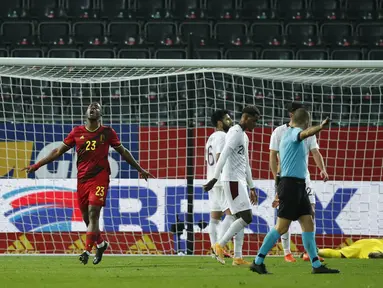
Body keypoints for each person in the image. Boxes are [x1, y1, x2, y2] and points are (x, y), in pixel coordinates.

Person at [23, 102, 153, 265]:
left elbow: (123, 151)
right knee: (87, 219)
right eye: (91, 107)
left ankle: (86, 250)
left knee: (93, 213)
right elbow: (57, 151)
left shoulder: (107, 132)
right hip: (82, 180)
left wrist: (139, 168)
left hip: (100, 178)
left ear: (101, 114)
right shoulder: (77, 132)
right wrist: (36, 165)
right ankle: (101, 244)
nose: (93, 109)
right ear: (85, 112)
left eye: (97, 107)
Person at [251, 109, 339, 274]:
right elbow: (304, 135)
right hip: (290, 186)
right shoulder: (294, 133)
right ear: (306, 122)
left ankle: (316, 265)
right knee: (281, 227)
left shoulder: (288, 133)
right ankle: (258, 261)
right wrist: (320, 127)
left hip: (298, 186)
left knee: (308, 222)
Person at [269, 103, 327, 262]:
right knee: (284, 218)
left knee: (311, 213)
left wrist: (322, 169)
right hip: (286, 179)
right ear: (292, 115)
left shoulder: (308, 133)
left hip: (304, 179)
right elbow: (273, 156)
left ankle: (311, 253)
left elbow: (315, 152)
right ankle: (286, 252)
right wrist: (277, 179)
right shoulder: (279, 132)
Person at [204, 106, 260, 265]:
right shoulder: (233, 133)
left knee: (235, 217)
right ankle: (219, 246)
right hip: (229, 180)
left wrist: (252, 187)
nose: (256, 125)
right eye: (254, 121)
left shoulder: (241, 135)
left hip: (236, 180)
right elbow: (222, 156)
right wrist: (215, 178)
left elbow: (246, 163)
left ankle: (236, 256)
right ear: (246, 118)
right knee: (243, 217)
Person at [318, 239, 383, 259]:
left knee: (339, 253)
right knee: (373, 252)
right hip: (377, 245)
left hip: (361, 242)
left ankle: (317, 251)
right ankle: (376, 253)